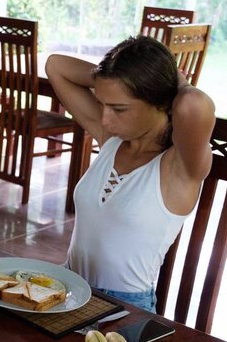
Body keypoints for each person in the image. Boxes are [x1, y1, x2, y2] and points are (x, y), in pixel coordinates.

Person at [45, 36, 215, 312]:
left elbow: (193, 104)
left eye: (119, 108)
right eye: (102, 104)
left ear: (161, 102)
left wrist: (176, 82)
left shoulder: (180, 167)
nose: (105, 119)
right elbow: (56, 65)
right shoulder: (111, 139)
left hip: (124, 310)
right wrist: (110, 79)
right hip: (70, 291)